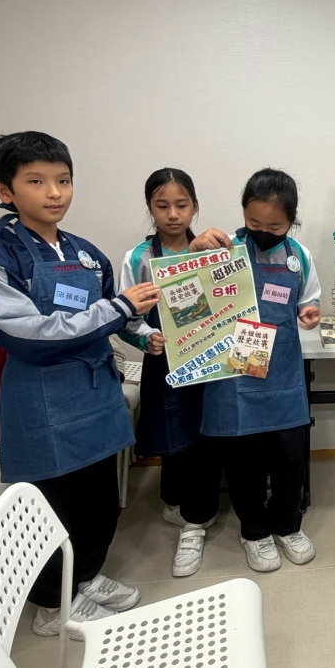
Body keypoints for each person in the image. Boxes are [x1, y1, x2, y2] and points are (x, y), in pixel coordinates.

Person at [0, 132, 159, 636]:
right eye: (36, 181)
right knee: (54, 510)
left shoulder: (85, 252)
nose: (55, 192)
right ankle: (54, 607)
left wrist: (146, 335)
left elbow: (118, 310)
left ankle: (87, 577)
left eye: (63, 180)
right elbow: (26, 333)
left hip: (94, 394)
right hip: (43, 401)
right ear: (4, 190)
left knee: (98, 502)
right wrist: (119, 309)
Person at [196, 168, 321, 573]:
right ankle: (254, 532)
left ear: (292, 221)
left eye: (275, 227)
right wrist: (194, 251)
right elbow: (188, 296)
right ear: (243, 214)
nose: (264, 232)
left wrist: (309, 312)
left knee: (289, 458)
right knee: (244, 461)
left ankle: (287, 526)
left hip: (282, 370)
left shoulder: (298, 257)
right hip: (237, 371)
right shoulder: (226, 250)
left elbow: (308, 300)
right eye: (254, 223)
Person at [118, 168, 232, 577]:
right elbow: (126, 316)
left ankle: (195, 521)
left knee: (203, 436)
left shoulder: (214, 249)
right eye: (162, 205)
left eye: (181, 205)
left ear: (194, 207)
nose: (172, 214)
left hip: (208, 358)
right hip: (164, 359)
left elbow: (230, 299)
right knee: (172, 434)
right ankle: (174, 501)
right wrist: (145, 337)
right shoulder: (138, 258)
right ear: (150, 208)